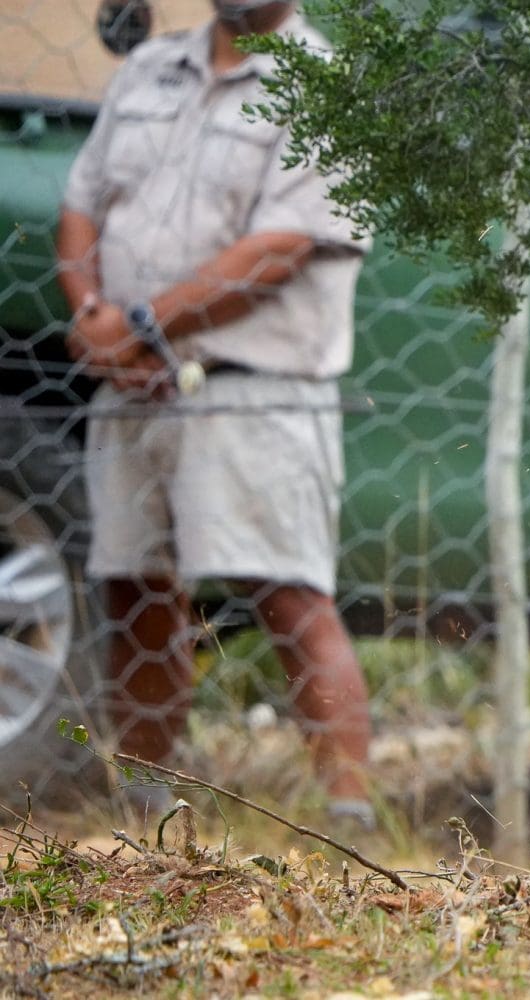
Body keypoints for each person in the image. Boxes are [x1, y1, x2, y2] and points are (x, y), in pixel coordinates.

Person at [55, 0, 375, 829]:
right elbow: (82, 205)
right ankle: (147, 812)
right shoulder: (148, 69)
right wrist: (94, 314)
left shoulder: (326, 89)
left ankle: (353, 825)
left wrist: (142, 326)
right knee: (135, 592)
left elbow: (280, 250)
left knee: (290, 597)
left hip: (251, 389)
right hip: (128, 388)